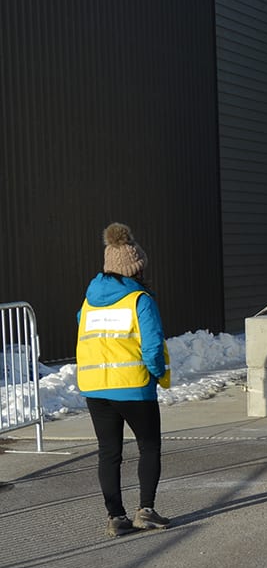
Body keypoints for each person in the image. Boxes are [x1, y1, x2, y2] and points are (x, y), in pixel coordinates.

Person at [77, 222, 172, 537]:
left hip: (95, 389)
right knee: (149, 446)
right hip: (133, 387)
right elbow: (152, 345)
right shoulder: (139, 300)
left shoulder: (88, 302)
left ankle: (115, 517)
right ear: (135, 268)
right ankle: (146, 511)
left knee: (109, 452)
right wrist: (158, 373)